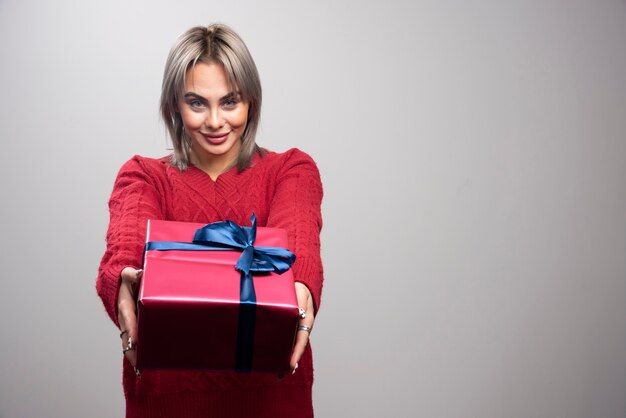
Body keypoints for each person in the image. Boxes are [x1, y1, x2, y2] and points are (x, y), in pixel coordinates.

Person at [96, 24, 323, 417]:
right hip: (166, 405)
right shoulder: (143, 176)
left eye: (230, 101)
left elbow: (297, 238)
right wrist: (122, 279)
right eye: (197, 103)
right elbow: (126, 244)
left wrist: (300, 282)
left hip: (271, 403)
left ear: (251, 102)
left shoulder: (290, 170)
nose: (216, 121)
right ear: (174, 106)